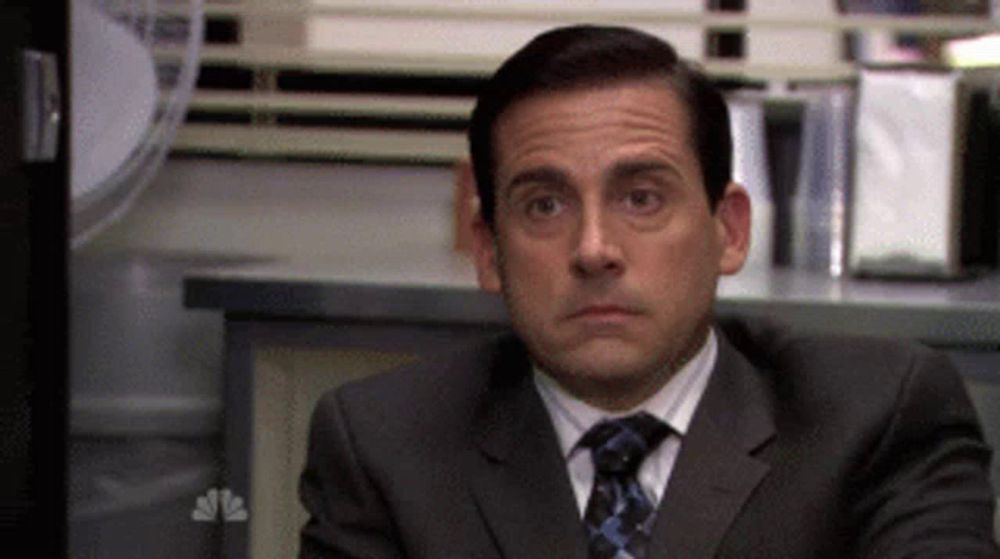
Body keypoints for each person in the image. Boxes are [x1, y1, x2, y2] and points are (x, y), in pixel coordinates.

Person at [298, 25, 998, 558]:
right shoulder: (384, 446)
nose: (594, 248)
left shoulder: (879, 418)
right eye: (545, 205)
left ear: (728, 230)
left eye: (641, 197)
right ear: (488, 250)